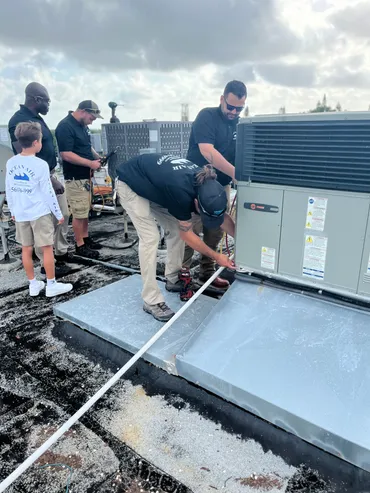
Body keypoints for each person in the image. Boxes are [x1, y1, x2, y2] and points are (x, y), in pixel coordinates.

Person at [116, 153, 235, 322]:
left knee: (174, 227)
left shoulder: (213, 188)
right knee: (151, 237)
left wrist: (243, 243)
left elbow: (223, 218)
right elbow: (187, 235)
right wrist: (216, 257)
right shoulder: (181, 192)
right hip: (131, 183)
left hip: (156, 184)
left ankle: (173, 278)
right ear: (195, 203)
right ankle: (151, 299)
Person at [185, 80, 247, 289]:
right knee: (189, 228)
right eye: (230, 106)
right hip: (198, 185)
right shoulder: (207, 116)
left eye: (239, 108)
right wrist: (236, 174)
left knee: (215, 230)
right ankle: (180, 274)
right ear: (222, 99)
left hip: (221, 185)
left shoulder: (240, 124)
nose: (233, 112)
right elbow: (207, 151)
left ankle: (207, 273)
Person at [8, 82, 72, 275]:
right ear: (36, 99)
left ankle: (60, 253)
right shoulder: (18, 120)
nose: (49, 105)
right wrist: (50, 179)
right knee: (45, 223)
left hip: (50, 173)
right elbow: (25, 155)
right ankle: (47, 264)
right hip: (39, 180)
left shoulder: (37, 118)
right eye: (47, 101)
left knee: (62, 215)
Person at [5, 122, 73, 297]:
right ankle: (51, 284)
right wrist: (58, 214)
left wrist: (12, 210)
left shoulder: (11, 162)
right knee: (46, 248)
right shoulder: (40, 164)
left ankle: (33, 284)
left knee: (26, 249)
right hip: (39, 213)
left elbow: (9, 188)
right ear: (36, 142)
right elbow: (48, 193)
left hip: (20, 214)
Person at [55, 100, 104, 259]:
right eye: (92, 117)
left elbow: (85, 146)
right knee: (79, 212)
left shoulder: (82, 126)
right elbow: (66, 154)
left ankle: (85, 237)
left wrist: (97, 157)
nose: (93, 120)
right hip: (75, 178)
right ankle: (79, 245)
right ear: (83, 111)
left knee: (85, 210)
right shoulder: (65, 126)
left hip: (86, 176)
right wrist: (90, 163)